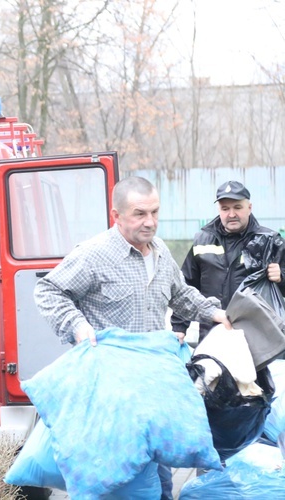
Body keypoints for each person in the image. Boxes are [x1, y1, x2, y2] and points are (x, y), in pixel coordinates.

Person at [33, 176, 231, 500]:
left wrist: (214, 313)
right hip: (112, 393)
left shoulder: (160, 251)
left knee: (158, 475)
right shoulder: (94, 254)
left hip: (152, 388)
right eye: (139, 213)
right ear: (117, 215)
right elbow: (49, 290)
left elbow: (180, 295)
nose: (149, 222)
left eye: (155, 212)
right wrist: (79, 327)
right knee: (122, 480)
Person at [170, 180, 285, 342]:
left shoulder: (269, 241)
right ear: (219, 210)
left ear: (249, 208)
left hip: (255, 339)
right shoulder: (202, 240)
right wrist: (179, 327)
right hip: (212, 335)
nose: (231, 214)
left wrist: (281, 277)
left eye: (237, 207)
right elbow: (186, 287)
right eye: (225, 209)